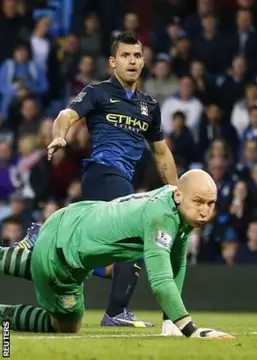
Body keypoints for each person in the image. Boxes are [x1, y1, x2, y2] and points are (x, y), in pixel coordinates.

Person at [41, 31, 179, 328]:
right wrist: (59, 137)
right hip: (103, 173)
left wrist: (175, 191)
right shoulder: (97, 92)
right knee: (140, 233)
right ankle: (116, 312)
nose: (132, 61)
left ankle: (52, 252)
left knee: (111, 248)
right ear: (113, 62)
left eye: (137, 56)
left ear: (144, 62)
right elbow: (66, 115)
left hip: (118, 180)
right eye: (126, 56)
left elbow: (162, 153)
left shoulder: (149, 106)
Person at [0, 170, 232, 338]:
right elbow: (161, 280)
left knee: (44, 261)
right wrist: (190, 330)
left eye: (211, 204)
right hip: (63, 257)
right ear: (180, 196)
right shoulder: (161, 218)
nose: (205, 211)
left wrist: (170, 320)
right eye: (199, 202)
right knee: (67, 326)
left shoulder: (176, 201)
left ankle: (28, 255)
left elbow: (176, 262)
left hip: (67, 219)